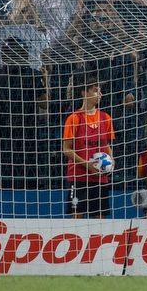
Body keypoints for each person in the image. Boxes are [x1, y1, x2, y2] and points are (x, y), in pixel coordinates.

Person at [62, 80, 115, 218]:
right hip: (78, 176)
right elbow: (66, 149)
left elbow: (107, 144)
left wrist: (112, 160)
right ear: (84, 93)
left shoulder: (106, 118)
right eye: (96, 90)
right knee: (77, 218)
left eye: (100, 91)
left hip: (100, 177)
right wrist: (85, 164)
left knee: (100, 219)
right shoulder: (74, 118)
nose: (100, 94)